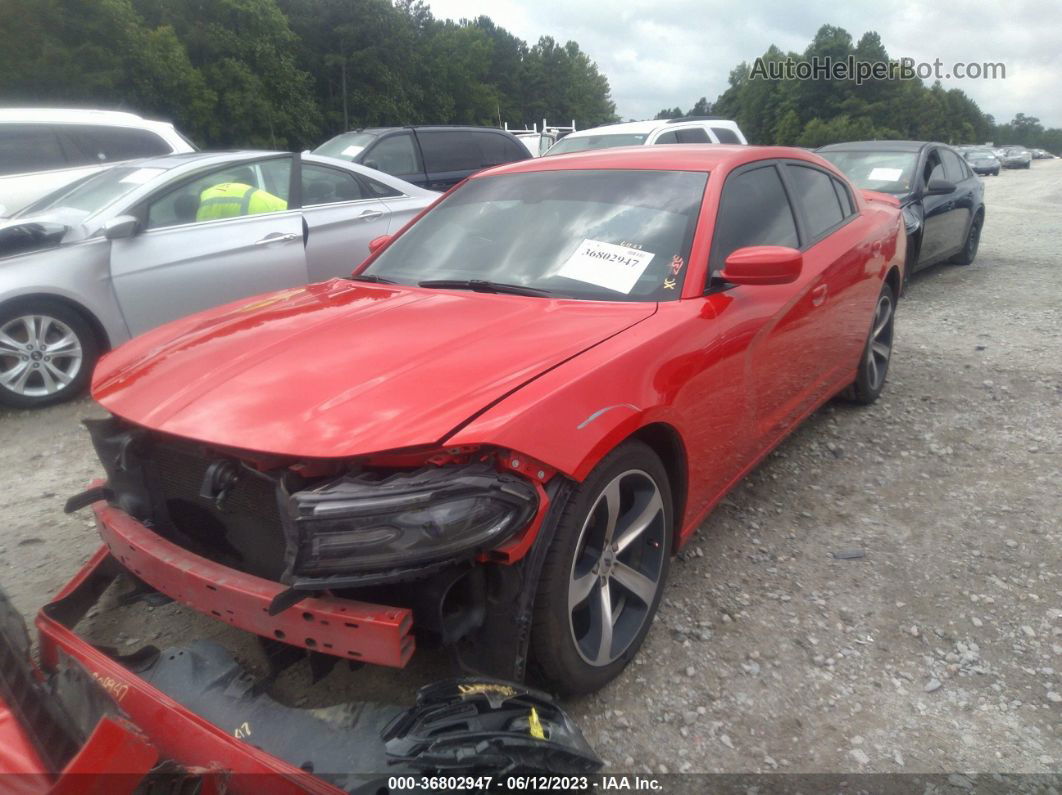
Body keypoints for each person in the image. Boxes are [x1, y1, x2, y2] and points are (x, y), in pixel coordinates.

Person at [196, 180, 287, 221]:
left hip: (266, 212)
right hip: (279, 206)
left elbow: (205, 234)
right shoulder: (219, 188)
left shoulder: (206, 204)